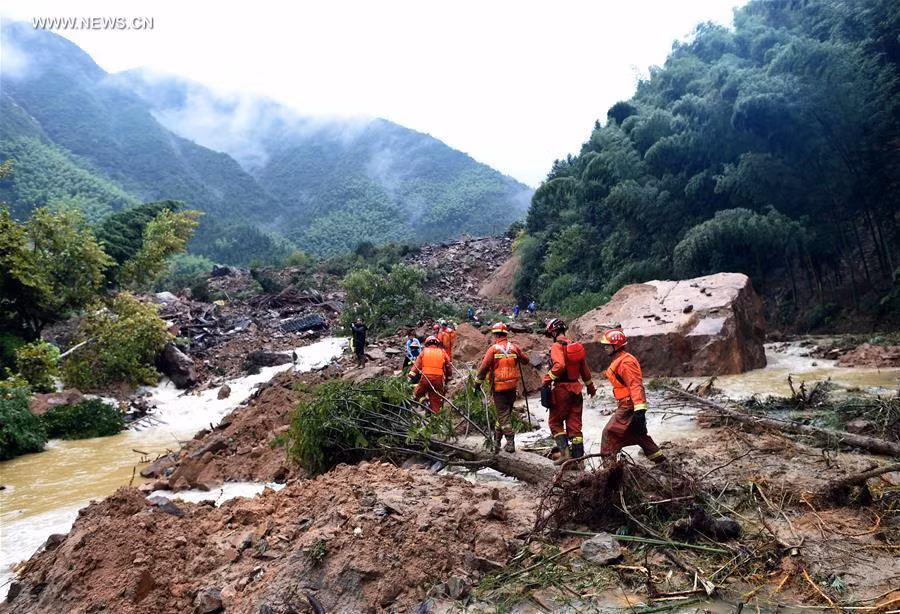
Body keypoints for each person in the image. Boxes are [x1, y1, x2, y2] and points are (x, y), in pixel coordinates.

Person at [599, 328, 665, 464]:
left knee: (609, 433)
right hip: (627, 403)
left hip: (629, 405)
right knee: (638, 435)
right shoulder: (620, 360)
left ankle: (608, 470)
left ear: (616, 346)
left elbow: (635, 385)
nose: (605, 348)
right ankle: (662, 462)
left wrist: (639, 410)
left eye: (607, 345)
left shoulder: (626, 362)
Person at [542, 318, 596, 465]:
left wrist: (547, 379)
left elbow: (559, 366)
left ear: (553, 331)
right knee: (575, 425)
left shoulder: (556, 346)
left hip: (562, 390)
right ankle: (579, 459)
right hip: (576, 390)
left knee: (555, 422)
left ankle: (565, 454)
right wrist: (590, 388)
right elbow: (585, 371)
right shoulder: (576, 346)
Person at [474, 322, 525, 453]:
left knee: (503, 415)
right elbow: (526, 360)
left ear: (495, 334)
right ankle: (497, 441)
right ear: (506, 334)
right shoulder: (514, 348)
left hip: (499, 388)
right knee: (503, 415)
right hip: (512, 387)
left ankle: (510, 441)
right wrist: (516, 357)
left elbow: (483, 368)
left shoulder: (493, 349)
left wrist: (477, 383)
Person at [408, 335, 452, 413]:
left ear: (427, 344)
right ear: (437, 344)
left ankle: (425, 405)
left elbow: (416, 366)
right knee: (435, 399)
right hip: (438, 380)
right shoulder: (442, 352)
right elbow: (448, 366)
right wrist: (449, 377)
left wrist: (410, 376)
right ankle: (435, 415)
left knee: (418, 393)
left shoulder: (424, 352)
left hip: (425, 378)